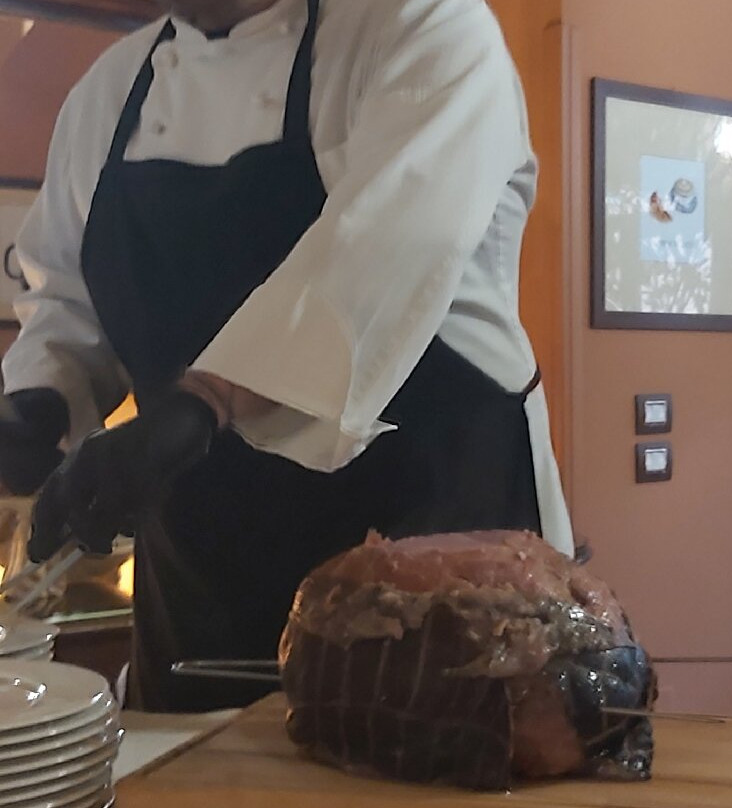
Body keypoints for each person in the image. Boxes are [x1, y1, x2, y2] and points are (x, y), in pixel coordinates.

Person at [0, 0, 573, 712]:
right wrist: (42, 397)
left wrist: (206, 400)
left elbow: (386, 249)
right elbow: (66, 292)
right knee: (196, 763)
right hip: (203, 562)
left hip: (431, 530)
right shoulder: (111, 88)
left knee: (439, 748)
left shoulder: (422, 26)